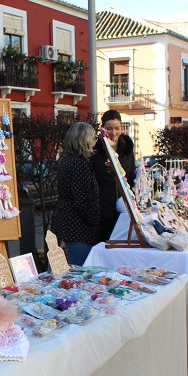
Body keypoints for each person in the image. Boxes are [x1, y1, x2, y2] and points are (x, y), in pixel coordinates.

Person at [52, 122, 101, 265]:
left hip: (70, 224)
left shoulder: (67, 160)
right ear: (84, 140)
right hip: (78, 228)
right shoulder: (78, 164)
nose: (95, 141)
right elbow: (82, 200)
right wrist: (94, 221)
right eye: (93, 138)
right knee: (80, 270)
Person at [90, 109, 135, 241]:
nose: (114, 133)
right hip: (102, 207)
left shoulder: (127, 149)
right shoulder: (96, 150)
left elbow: (131, 176)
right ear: (102, 128)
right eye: (109, 128)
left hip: (124, 205)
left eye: (117, 128)